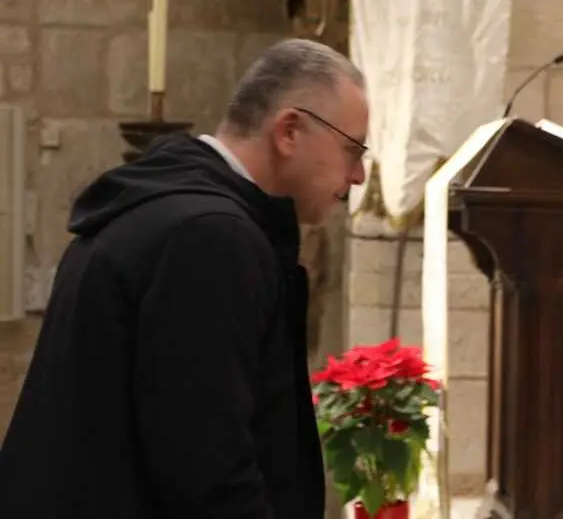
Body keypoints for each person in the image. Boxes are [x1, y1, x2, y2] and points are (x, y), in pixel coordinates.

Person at [0, 39, 368, 519]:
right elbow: (207, 468)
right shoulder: (210, 239)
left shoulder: (171, 208)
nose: (358, 174)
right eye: (352, 149)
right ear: (290, 131)